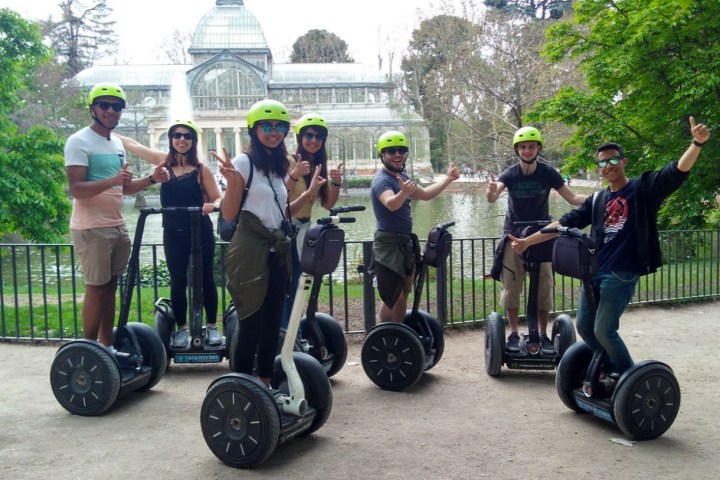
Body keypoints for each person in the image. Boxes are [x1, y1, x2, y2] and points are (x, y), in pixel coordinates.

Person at [510, 117, 710, 380]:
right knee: (584, 326)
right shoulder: (598, 199)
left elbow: (676, 172)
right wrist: (527, 242)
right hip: (594, 271)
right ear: (599, 168)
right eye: (603, 163)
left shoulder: (642, 188)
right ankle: (609, 368)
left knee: (604, 330)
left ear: (623, 162)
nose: (608, 166)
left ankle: (631, 380)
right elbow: (563, 223)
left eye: (613, 160)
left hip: (622, 273)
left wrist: (696, 143)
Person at [213, 99, 324, 386]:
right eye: (267, 126)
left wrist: (309, 192)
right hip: (249, 250)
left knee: (272, 322)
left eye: (279, 127)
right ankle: (239, 385)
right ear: (254, 129)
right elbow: (228, 213)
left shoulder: (277, 168)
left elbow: (281, 212)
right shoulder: (243, 163)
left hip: (277, 251)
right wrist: (233, 181)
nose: (273, 132)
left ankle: (263, 383)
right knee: (251, 321)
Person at [64, 82, 169, 347]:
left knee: (111, 288)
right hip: (91, 227)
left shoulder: (117, 144)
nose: (111, 111)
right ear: (93, 108)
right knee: (96, 287)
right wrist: (113, 180)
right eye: (105, 105)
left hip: (116, 224)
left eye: (117, 106)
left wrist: (152, 179)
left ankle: (107, 347)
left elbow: (124, 189)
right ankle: (88, 351)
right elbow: (76, 189)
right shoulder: (78, 141)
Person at [117, 120, 223, 348]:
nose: (181, 139)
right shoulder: (163, 163)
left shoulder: (201, 169)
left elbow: (217, 197)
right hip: (173, 232)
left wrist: (211, 206)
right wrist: (109, 134)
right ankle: (182, 329)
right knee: (178, 281)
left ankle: (213, 326)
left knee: (206, 279)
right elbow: (135, 145)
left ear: (193, 141)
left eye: (187, 136)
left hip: (200, 231)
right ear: (171, 139)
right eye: (176, 135)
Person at [486, 126, 586, 354]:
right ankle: (512, 332)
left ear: (538, 148)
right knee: (511, 285)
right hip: (514, 234)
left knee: (543, 286)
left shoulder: (548, 172)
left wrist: (597, 198)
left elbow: (571, 198)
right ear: (517, 150)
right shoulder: (510, 173)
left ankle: (542, 333)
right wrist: (491, 191)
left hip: (542, 235)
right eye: (523, 146)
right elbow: (493, 196)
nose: (527, 150)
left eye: (531, 146)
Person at [370, 130, 460, 323]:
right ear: (382, 154)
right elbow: (391, 204)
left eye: (401, 150)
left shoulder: (402, 177)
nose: (397, 154)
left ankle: (400, 332)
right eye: (391, 150)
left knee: (404, 292)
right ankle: (386, 334)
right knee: (391, 294)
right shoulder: (382, 180)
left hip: (404, 240)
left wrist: (448, 179)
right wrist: (403, 193)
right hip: (388, 242)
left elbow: (426, 194)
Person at [280, 113, 343, 329]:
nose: (314, 140)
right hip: (287, 230)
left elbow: (327, 204)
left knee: (300, 283)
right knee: (289, 283)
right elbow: (281, 199)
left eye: (319, 137)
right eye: (309, 135)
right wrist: (298, 177)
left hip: (305, 230)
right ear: (299, 137)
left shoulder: (319, 164)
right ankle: (285, 333)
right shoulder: (289, 161)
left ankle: (293, 332)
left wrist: (336, 183)